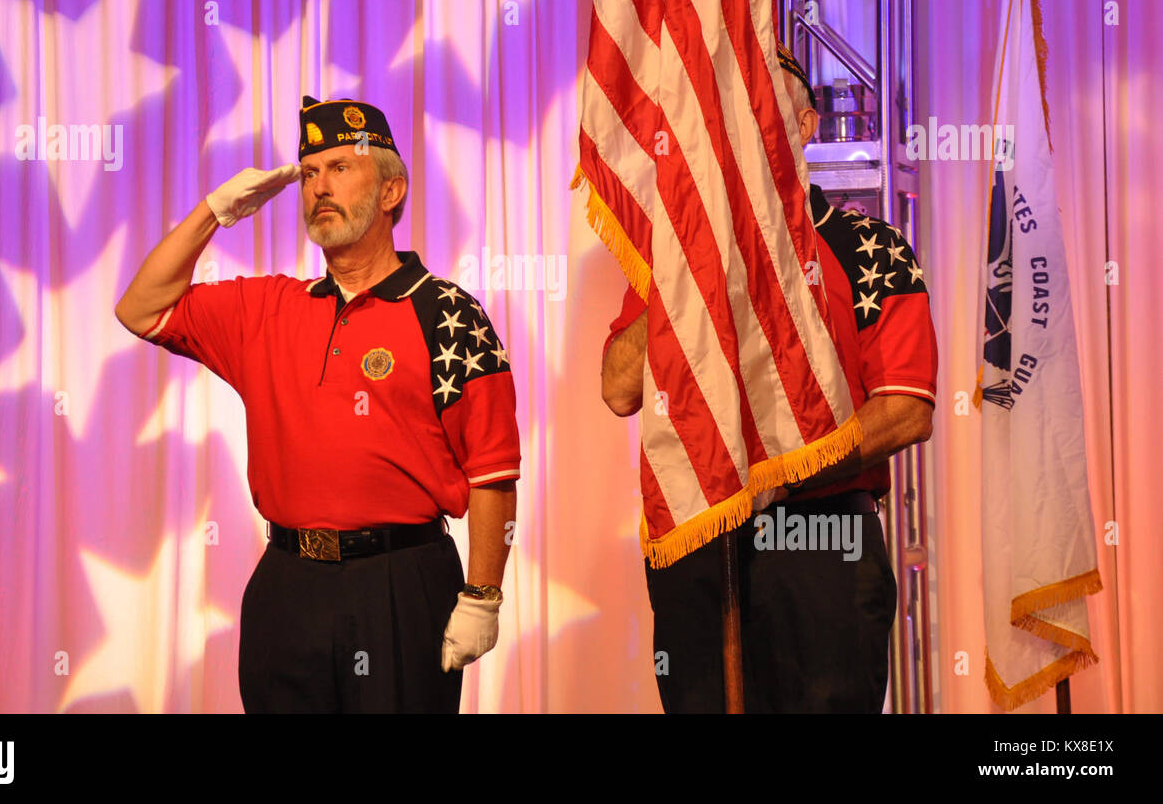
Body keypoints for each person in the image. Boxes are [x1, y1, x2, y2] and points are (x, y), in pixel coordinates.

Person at [115, 95, 520, 713]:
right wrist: (212, 213)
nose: (318, 187)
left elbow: (493, 468)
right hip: (288, 583)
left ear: (391, 191)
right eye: (309, 173)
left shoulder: (447, 313)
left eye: (339, 167)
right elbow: (139, 308)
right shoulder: (269, 308)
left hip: (400, 583)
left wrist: (483, 595)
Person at [600, 45, 938, 713]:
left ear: (807, 125)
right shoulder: (673, 256)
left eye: (762, 102)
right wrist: (678, 266)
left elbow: (905, 409)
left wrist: (783, 474)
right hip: (698, 536)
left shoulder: (867, 247)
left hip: (820, 537)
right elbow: (618, 388)